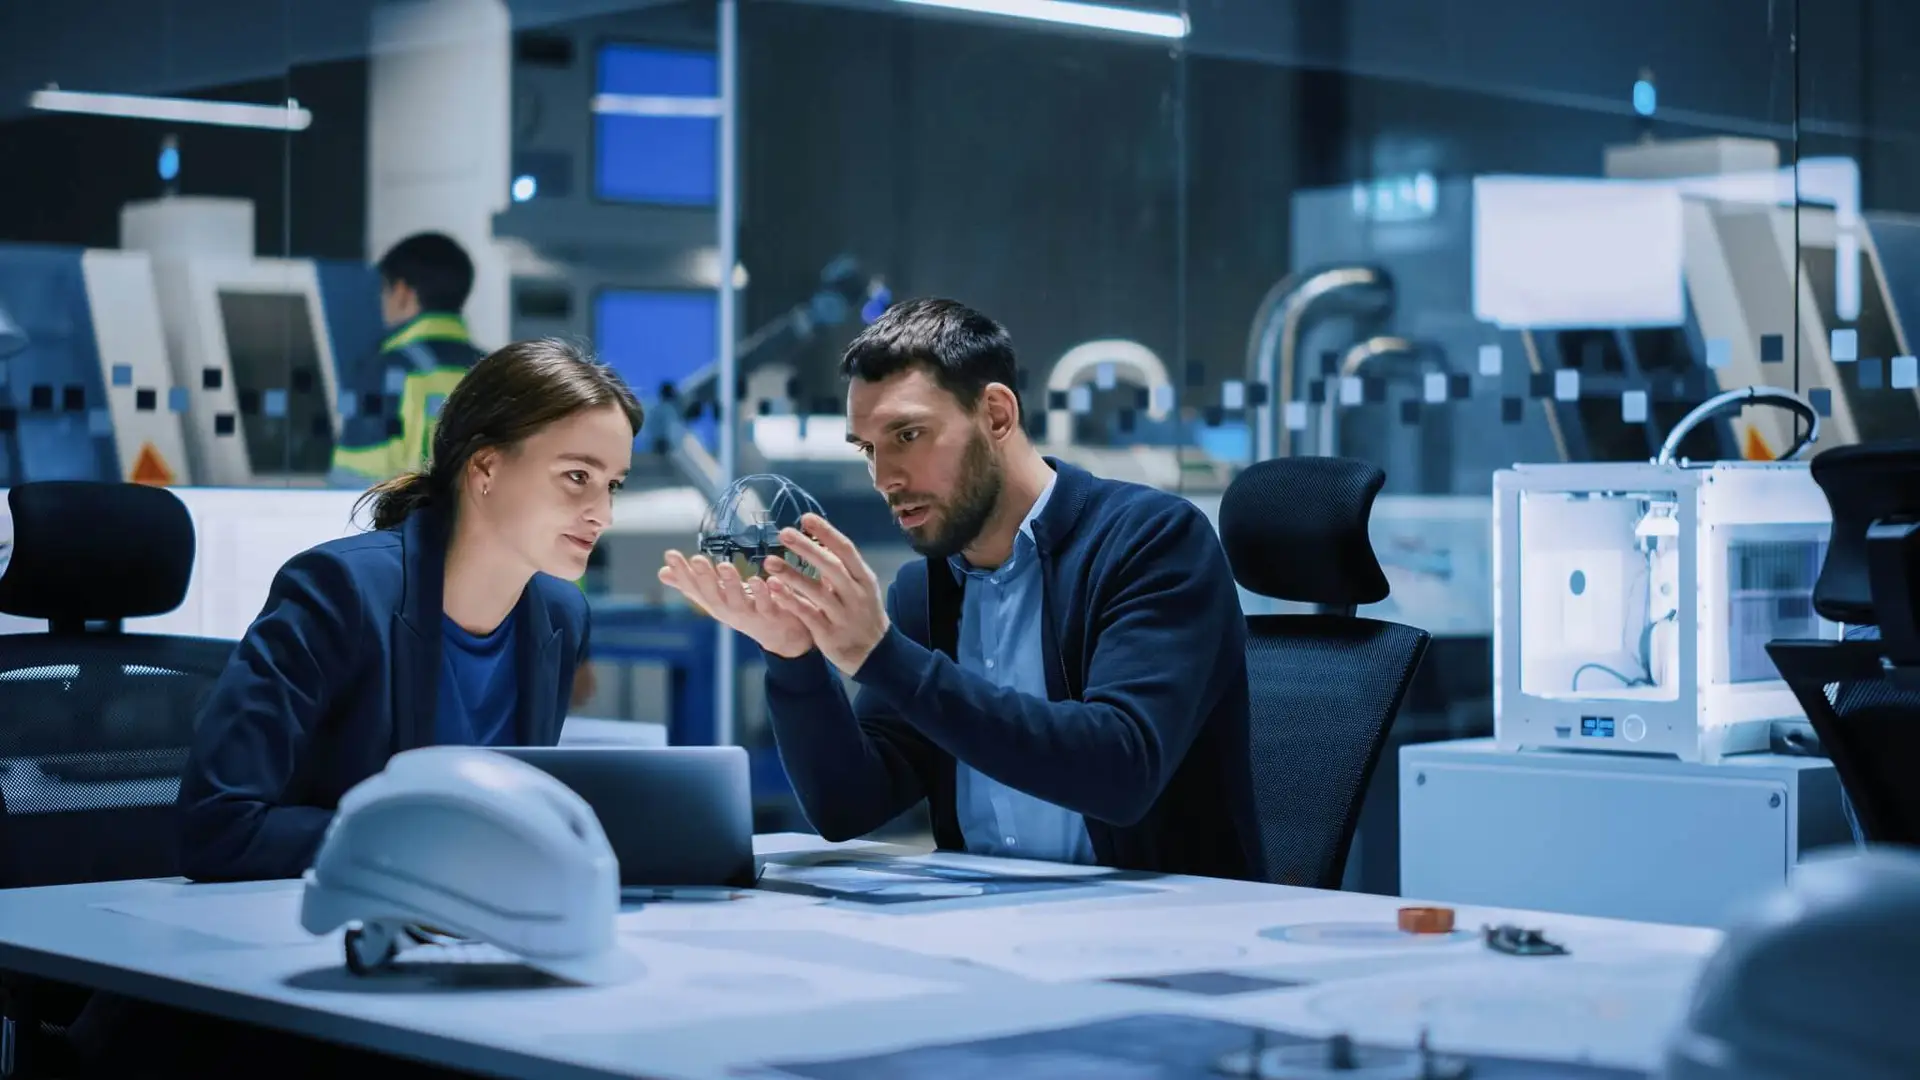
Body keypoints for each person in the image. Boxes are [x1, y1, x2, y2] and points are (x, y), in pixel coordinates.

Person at [659, 298, 1263, 880]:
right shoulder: (925, 590)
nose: (885, 478)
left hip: (1163, 932)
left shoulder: (1152, 542)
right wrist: (793, 657)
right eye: (869, 448)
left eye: (909, 436)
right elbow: (848, 805)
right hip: (987, 925)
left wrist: (884, 656)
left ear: (997, 415)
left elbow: (1121, 770)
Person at [176, 337, 642, 884]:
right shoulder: (339, 590)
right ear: (486, 468)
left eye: (612, 485)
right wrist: (437, 844)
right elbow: (221, 827)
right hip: (319, 920)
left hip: (468, 919)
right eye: (577, 478)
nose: (602, 514)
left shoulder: (561, 614)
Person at [329, 232, 488, 489]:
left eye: (384, 291)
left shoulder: (385, 371)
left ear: (402, 292)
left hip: (407, 526)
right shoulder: (497, 372)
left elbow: (353, 484)